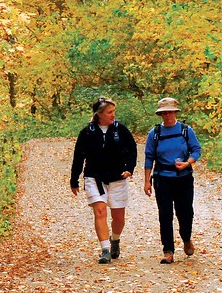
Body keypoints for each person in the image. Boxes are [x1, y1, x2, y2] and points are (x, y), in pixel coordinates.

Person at [70, 97, 137, 264]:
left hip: (117, 177)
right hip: (94, 177)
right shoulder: (87, 132)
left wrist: (129, 168)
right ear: (99, 114)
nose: (113, 115)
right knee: (100, 211)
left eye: (114, 112)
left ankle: (115, 240)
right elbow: (78, 156)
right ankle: (105, 249)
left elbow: (132, 150)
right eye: (109, 112)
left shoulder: (120, 130)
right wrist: (74, 179)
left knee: (119, 217)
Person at [144, 97, 201, 264]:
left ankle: (186, 237)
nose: (167, 115)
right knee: (165, 214)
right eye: (164, 112)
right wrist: (147, 181)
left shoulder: (185, 130)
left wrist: (187, 163)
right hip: (162, 178)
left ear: (175, 112)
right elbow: (149, 157)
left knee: (185, 212)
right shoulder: (154, 133)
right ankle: (168, 249)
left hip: (183, 178)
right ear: (160, 114)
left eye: (170, 111)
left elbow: (196, 150)